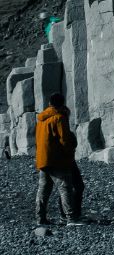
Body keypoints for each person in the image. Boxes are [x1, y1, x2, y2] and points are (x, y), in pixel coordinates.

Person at [35, 94, 82, 226]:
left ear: (50, 103)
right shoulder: (59, 118)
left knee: (43, 191)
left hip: (43, 159)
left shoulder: (41, 119)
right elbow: (65, 140)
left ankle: (40, 218)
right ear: (62, 104)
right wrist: (70, 151)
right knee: (65, 187)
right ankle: (71, 218)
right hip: (57, 160)